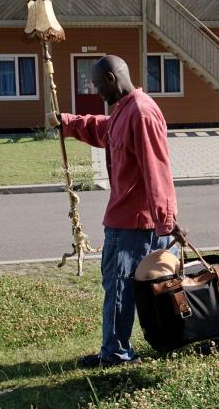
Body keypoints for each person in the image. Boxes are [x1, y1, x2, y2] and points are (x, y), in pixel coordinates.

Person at [46, 54, 177, 368]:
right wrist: (67, 122)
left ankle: (116, 354)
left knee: (119, 288)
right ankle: (120, 349)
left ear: (110, 78)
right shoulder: (124, 111)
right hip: (124, 219)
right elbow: (103, 130)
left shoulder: (142, 113)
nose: (97, 93)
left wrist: (166, 221)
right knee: (122, 287)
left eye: (97, 86)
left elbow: (156, 170)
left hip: (135, 224)